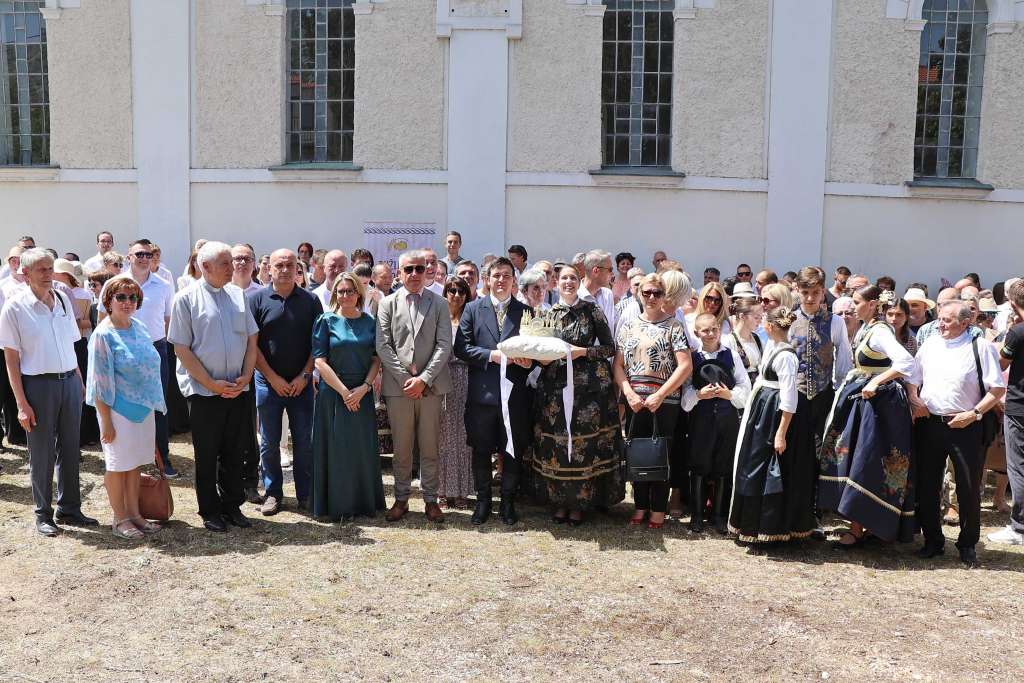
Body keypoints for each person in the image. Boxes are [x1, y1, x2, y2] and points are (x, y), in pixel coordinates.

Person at [0, 248, 98, 536]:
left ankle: (69, 508)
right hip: (38, 385)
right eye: (41, 269)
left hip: (68, 381)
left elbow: (71, 344)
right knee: (41, 451)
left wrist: (78, 379)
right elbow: (11, 359)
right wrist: (21, 403)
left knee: (70, 446)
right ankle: (43, 513)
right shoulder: (15, 308)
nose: (47, 274)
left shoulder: (64, 301)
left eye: (49, 268)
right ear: (26, 273)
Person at [168, 241, 259, 533]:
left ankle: (232, 505)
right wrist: (211, 384)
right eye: (225, 264)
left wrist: (246, 375)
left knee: (236, 451)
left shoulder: (238, 295)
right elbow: (181, 348)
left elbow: (251, 339)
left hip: (237, 388)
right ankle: (210, 509)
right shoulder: (185, 299)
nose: (233, 268)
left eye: (232, 262)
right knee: (207, 454)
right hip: (204, 392)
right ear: (204, 267)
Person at [818, 287, 918, 548]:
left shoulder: (880, 332)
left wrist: (876, 382)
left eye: (857, 302)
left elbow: (906, 363)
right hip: (868, 405)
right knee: (859, 460)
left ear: (872, 304)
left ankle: (865, 528)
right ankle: (861, 525)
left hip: (880, 407)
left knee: (869, 461)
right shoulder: (867, 329)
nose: (852, 307)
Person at [530, 263, 622, 526]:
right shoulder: (548, 313)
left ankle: (580, 504)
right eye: (563, 278)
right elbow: (540, 349)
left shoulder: (591, 310)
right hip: (554, 390)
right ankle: (559, 503)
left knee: (582, 446)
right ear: (555, 283)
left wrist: (581, 352)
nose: (568, 282)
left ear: (579, 281)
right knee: (557, 446)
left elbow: (608, 348)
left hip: (587, 393)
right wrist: (541, 359)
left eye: (573, 278)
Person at [915, 301, 1005, 567]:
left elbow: (996, 389)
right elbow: (913, 376)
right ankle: (933, 540)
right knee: (927, 484)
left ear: (965, 323)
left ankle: (967, 544)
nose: (940, 324)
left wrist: (974, 414)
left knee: (968, 486)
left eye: (947, 320)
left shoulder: (981, 347)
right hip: (931, 422)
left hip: (966, 424)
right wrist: (914, 398)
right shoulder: (930, 344)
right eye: (939, 318)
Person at [455, 257, 535, 525]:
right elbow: (462, 348)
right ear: (487, 280)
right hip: (483, 395)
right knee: (481, 449)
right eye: (496, 275)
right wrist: (492, 355)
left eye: (506, 275)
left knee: (512, 450)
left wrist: (528, 361)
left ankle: (508, 503)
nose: (501, 280)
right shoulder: (473, 309)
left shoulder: (526, 312)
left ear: (514, 280)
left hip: (515, 397)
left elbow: (534, 351)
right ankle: (483, 502)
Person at [86, 276, 166, 539]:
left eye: (132, 297)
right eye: (121, 297)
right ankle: (120, 519)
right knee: (118, 465)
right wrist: (106, 421)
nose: (127, 302)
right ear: (108, 300)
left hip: (143, 409)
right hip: (117, 411)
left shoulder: (140, 327)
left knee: (134, 465)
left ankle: (135, 514)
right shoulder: (103, 334)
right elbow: (98, 382)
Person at [375, 250, 452, 523]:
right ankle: (401, 498)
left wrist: (424, 379)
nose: (414, 274)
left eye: (420, 269)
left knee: (430, 447)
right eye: (409, 269)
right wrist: (405, 379)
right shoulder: (387, 304)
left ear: (427, 271)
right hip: (399, 389)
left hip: (430, 387)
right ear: (399, 272)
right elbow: (383, 346)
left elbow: (444, 346)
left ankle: (431, 500)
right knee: (403, 448)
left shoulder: (439, 303)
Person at [613, 273, 692, 530]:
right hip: (636, 399)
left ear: (663, 296)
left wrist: (661, 394)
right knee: (638, 453)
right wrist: (629, 393)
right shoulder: (628, 326)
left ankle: (658, 510)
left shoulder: (674, 326)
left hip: (664, 401)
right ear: (639, 294)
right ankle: (640, 505)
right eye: (646, 293)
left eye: (656, 293)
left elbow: (685, 365)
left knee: (660, 456)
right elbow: (619, 366)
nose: (650, 297)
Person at [248, 249, 322, 515]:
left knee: (304, 441)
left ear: (298, 269)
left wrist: (305, 375)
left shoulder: (311, 300)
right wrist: (272, 378)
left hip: (301, 384)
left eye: (290, 265)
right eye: (279, 264)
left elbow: (318, 342)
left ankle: (305, 494)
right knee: (268, 442)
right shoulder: (256, 300)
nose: (285, 269)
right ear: (269, 268)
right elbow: (252, 346)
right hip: (268, 384)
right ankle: (273, 493)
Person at [729, 306, 812, 543]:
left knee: (770, 469)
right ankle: (751, 525)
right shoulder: (772, 347)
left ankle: (771, 527)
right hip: (762, 412)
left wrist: (781, 434)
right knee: (755, 464)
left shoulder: (785, 356)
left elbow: (789, 398)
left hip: (773, 416)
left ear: (771, 327)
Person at [309, 272, 383, 521]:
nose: (345, 296)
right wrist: (343, 392)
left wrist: (363, 388)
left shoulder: (370, 321)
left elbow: (376, 359)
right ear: (335, 295)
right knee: (336, 450)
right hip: (333, 395)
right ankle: (336, 505)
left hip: (361, 394)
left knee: (359, 450)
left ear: (358, 294)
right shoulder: (325, 321)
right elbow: (319, 362)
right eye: (341, 291)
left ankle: (362, 503)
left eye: (350, 291)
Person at [683, 312, 750, 533]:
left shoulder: (731, 355)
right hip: (701, 419)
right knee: (699, 464)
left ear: (720, 329)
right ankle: (697, 514)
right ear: (697, 333)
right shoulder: (693, 358)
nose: (710, 334)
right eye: (705, 330)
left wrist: (729, 395)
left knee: (723, 465)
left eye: (714, 329)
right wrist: (699, 395)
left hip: (726, 417)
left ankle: (720, 515)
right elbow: (686, 393)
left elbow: (745, 386)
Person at [789, 267, 854, 491]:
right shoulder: (788, 320)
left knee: (820, 448)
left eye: (815, 292)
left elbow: (844, 359)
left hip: (822, 393)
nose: (809, 298)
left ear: (822, 292)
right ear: (797, 290)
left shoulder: (834, 322)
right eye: (805, 292)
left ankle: (816, 502)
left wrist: (839, 391)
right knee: (794, 447)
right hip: (793, 395)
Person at [122, 240, 177, 477]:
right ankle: (129, 458)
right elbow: (103, 318)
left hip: (155, 348)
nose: (144, 257)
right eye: (139, 254)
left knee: (158, 404)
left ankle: (161, 458)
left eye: (148, 254)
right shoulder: (115, 284)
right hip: (124, 349)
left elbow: (168, 318)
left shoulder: (163, 284)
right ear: (129, 256)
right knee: (126, 404)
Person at [990, 279, 1024, 545]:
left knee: (1018, 467)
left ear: (1012, 304)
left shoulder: (1017, 332)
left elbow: (1000, 362)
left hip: (1019, 408)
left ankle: (1019, 527)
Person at [437, 277, 474, 510]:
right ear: (445, 293)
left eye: (461, 291)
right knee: (441, 436)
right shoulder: (438, 318)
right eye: (452, 290)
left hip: (466, 377)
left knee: (464, 437)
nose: (457, 295)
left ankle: (462, 491)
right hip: (441, 377)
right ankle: (441, 489)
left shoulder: (471, 318)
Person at [723, 296, 764, 383]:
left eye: (761, 317)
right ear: (742, 316)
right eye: (756, 317)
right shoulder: (729, 341)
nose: (760, 321)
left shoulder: (757, 338)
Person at [579, 249, 617, 331]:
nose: (612, 274)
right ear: (596, 271)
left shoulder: (608, 294)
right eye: (610, 269)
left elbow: (610, 329)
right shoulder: (575, 295)